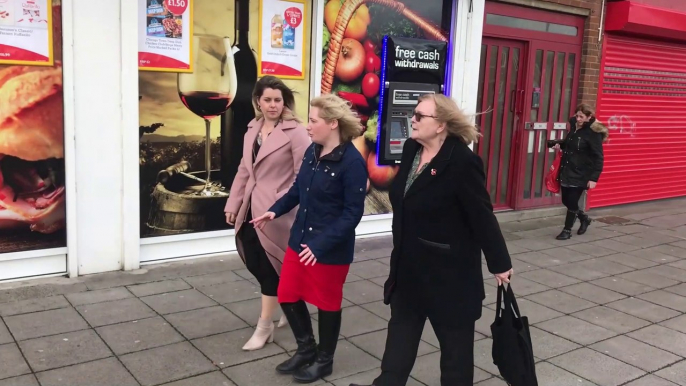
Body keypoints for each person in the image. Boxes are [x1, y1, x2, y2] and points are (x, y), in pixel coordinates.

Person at [351, 94, 513, 386]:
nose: (412, 119)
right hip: (408, 272)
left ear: (440, 125)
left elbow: (482, 216)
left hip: (449, 278)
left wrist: (499, 263)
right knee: (396, 354)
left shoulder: (463, 162)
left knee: (455, 359)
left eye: (419, 115)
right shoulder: (413, 148)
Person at [251, 93, 368, 383]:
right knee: (288, 294)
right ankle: (306, 349)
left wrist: (320, 246)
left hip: (329, 249)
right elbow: (296, 190)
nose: (307, 126)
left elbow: (352, 215)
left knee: (327, 303)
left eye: (313, 120)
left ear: (332, 123)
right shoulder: (312, 151)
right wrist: (273, 211)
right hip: (299, 240)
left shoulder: (352, 162)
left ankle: (324, 360)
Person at [224, 76, 310, 351]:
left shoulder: (296, 132)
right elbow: (244, 170)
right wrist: (232, 204)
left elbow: (303, 177)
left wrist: (286, 205)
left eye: (277, 100)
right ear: (258, 102)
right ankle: (288, 301)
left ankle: (264, 327)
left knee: (269, 268)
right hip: (250, 208)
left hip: (278, 214)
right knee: (256, 261)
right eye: (267, 100)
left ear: (284, 101)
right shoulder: (253, 129)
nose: (272, 105)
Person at [549, 103, 608, 240]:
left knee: (572, 200)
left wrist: (594, 178)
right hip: (567, 170)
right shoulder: (574, 128)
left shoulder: (593, 134)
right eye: (577, 115)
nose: (578, 119)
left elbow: (598, 157)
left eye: (581, 116)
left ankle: (567, 230)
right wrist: (560, 144)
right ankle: (584, 218)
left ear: (589, 117)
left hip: (582, 173)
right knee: (566, 200)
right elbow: (571, 144)